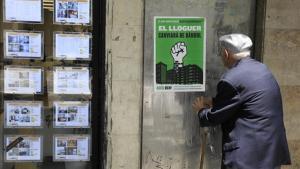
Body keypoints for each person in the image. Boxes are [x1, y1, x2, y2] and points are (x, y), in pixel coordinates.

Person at [192, 34, 291, 169]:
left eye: (222, 52)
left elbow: (214, 117)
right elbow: (244, 100)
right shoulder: (262, 69)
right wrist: (215, 102)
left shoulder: (231, 79)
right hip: (269, 151)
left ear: (226, 53)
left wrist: (201, 111)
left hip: (248, 157)